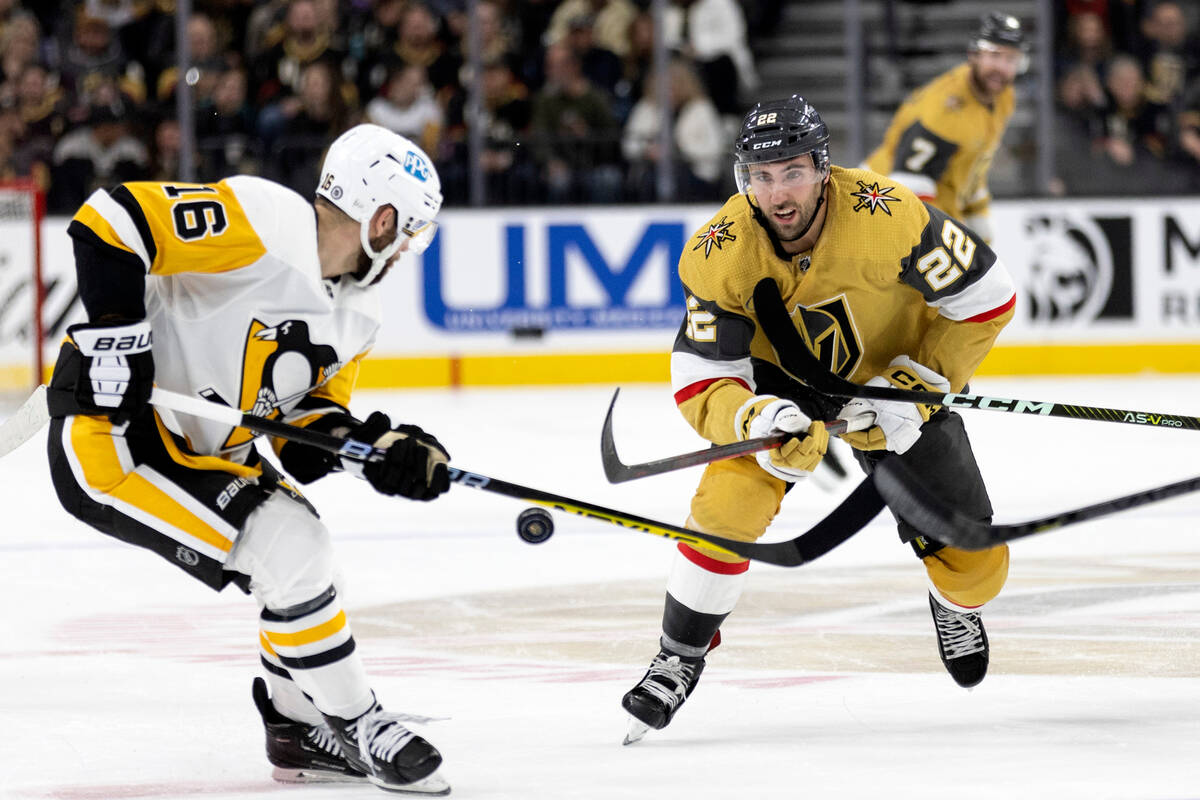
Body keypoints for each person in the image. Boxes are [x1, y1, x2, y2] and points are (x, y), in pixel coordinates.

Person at [44, 123, 453, 795]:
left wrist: (379, 452)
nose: (409, 247)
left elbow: (302, 429)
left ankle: (297, 728)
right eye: (410, 229)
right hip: (117, 443)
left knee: (313, 568)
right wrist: (119, 339)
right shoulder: (264, 221)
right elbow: (110, 219)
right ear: (382, 218)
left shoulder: (360, 313)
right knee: (294, 553)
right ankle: (360, 723)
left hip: (204, 454)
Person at [620, 95, 1017, 744]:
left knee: (974, 557)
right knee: (727, 507)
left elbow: (987, 297)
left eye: (793, 171)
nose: (778, 192)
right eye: (761, 175)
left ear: (824, 169)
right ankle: (678, 655)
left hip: (896, 375)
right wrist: (755, 415)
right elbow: (699, 378)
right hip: (782, 387)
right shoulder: (718, 252)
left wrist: (916, 387)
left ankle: (953, 603)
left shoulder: (890, 215)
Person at [864, 11, 1027, 242]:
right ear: (974, 54)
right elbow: (908, 185)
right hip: (881, 205)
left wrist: (976, 210)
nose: (1001, 67)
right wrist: (942, 238)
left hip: (929, 205)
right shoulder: (944, 109)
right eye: (994, 55)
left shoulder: (1003, 97)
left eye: (1011, 59)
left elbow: (972, 160)